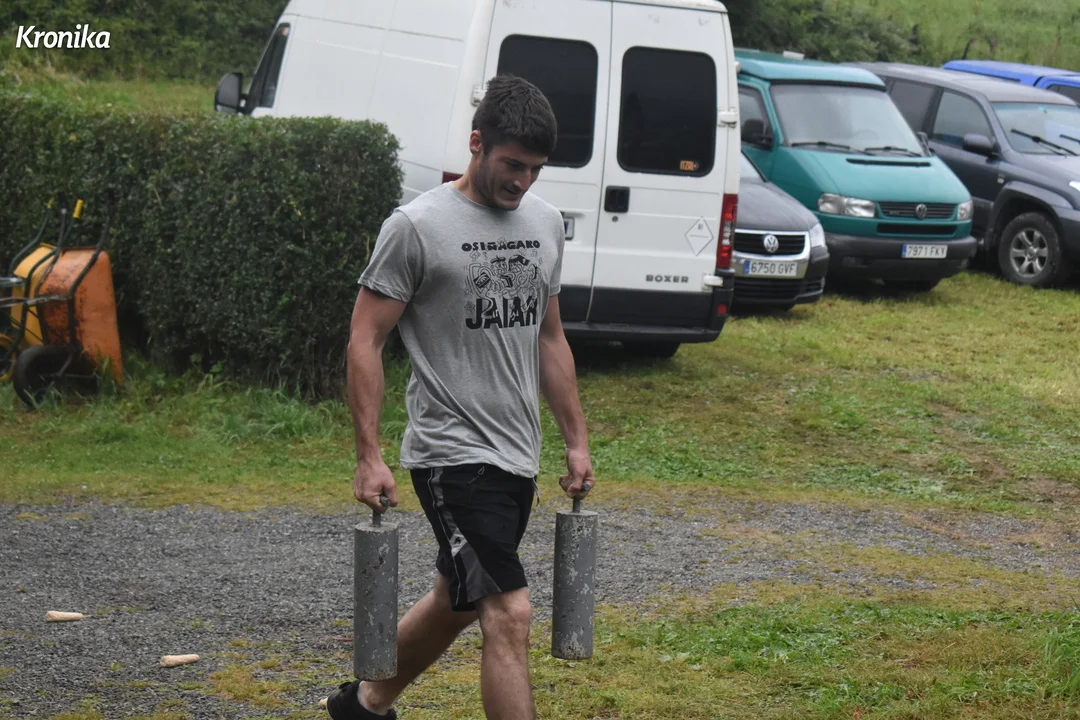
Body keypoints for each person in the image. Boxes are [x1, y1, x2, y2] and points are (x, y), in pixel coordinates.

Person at [328, 74, 595, 720]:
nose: (522, 181)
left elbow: (550, 338)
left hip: (516, 456)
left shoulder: (544, 223)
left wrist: (576, 440)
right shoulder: (416, 227)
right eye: (512, 164)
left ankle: (363, 704)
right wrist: (368, 454)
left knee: (459, 597)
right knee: (508, 610)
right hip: (451, 455)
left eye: (535, 169)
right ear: (477, 144)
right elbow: (365, 339)